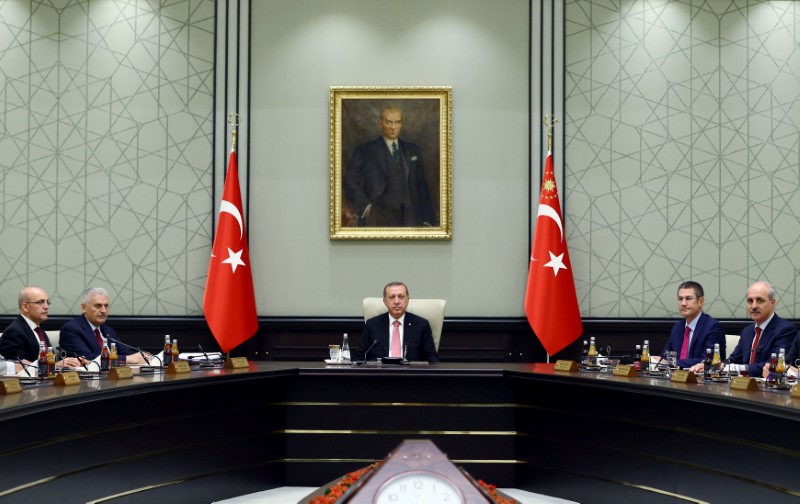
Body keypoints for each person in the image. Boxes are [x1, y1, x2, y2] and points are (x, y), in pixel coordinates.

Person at [343, 106, 436, 227]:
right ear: (380, 122)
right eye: (389, 122)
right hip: (377, 216)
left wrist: (427, 219)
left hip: (411, 216)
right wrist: (366, 207)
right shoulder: (364, 150)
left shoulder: (413, 150)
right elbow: (350, 181)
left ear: (401, 124)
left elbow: (421, 186)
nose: (393, 127)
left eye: (397, 122)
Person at [723, 281, 796, 377]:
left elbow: (772, 366)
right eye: (750, 301)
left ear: (773, 302)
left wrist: (734, 368)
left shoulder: (785, 330)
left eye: (760, 300)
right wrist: (717, 366)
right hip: (742, 385)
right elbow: (733, 360)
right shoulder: (747, 331)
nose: (753, 306)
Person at [0, 286, 83, 371]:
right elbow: (19, 368)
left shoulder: (39, 331)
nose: (46, 306)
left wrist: (72, 362)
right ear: (25, 307)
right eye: (40, 302)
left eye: (47, 302)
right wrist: (56, 365)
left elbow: (49, 360)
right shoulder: (14, 332)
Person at [59, 287, 149, 364]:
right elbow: (87, 357)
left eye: (106, 306)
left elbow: (125, 352)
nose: (103, 310)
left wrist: (141, 357)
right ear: (84, 307)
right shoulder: (72, 329)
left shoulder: (107, 330)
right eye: (98, 306)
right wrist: (128, 359)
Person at [354, 282, 439, 363]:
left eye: (401, 297)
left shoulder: (421, 325)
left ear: (408, 300)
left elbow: (432, 359)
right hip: (380, 374)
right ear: (385, 302)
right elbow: (359, 357)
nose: (396, 301)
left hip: (411, 375)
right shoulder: (372, 325)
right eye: (391, 297)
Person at [661, 281, 725, 369]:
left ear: (701, 301)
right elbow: (665, 356)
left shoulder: (713, 327)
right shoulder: (678, 327)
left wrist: (671, 362)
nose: (683, 303)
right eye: (680, 299)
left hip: (700, 379)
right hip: (675, 377)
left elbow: (706, 360)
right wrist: (657, 360)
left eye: (688, 298)